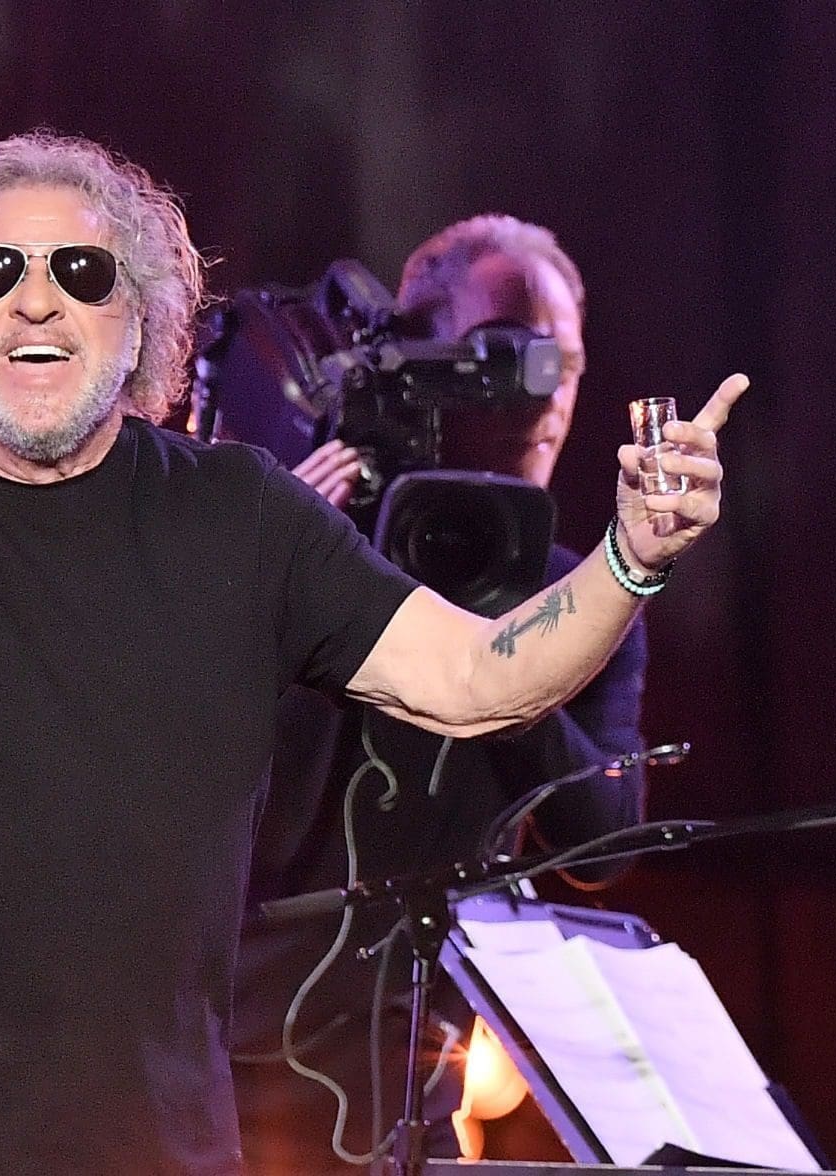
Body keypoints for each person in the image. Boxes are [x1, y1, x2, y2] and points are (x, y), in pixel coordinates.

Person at [0, 133, 743, 1176]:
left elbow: (481, 683)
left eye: (81, 273)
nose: (35, 303)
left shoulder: (243, 517)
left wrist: (628, 558)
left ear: (140, 319)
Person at [230, 216, 650, 1174]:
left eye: (567, 363)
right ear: (419, 362)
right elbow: (249, 821)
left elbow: (608, 842)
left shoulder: (579, 594)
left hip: (411, 1087)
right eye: (506, 355)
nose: (546, 392)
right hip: (230, 1069)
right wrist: (283, 590)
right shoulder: (318, 547)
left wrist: (513, 651)